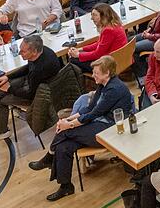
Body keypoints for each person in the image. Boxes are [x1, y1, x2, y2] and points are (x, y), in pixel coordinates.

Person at [28, 56, 132, 201]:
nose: (93, 74)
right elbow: (89, 108)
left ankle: (49, 157)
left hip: (112, 129)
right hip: (99, 123)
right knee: (64, 146)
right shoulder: (102, 85)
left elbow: (94, 114)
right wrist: (68, 119)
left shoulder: (114, 89)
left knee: (66, 131)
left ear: (107, 73)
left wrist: (68, 125)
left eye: (96, 72)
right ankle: (66, 186)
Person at [0, 35, 62, 140]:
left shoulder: (39, 70)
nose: (19, 53)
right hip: (35, 86)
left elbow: (30, 95)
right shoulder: (42, 50)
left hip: (40, 98)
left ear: (34, 51)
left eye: (23, 51)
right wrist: (7, 77)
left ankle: (1, 131)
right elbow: (28, 68)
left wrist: (9, 89)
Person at [67, 3, 127, 73]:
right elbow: (98, 44)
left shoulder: (108, 30)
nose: (92, 18)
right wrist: (80, 49)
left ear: (103, 16)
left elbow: (97, 54)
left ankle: (96, 80)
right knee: (78, 57)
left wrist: (78, 55)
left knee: (73, 59)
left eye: (95, 15)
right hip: (119, 58)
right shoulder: (114, 24)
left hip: (110, 64)